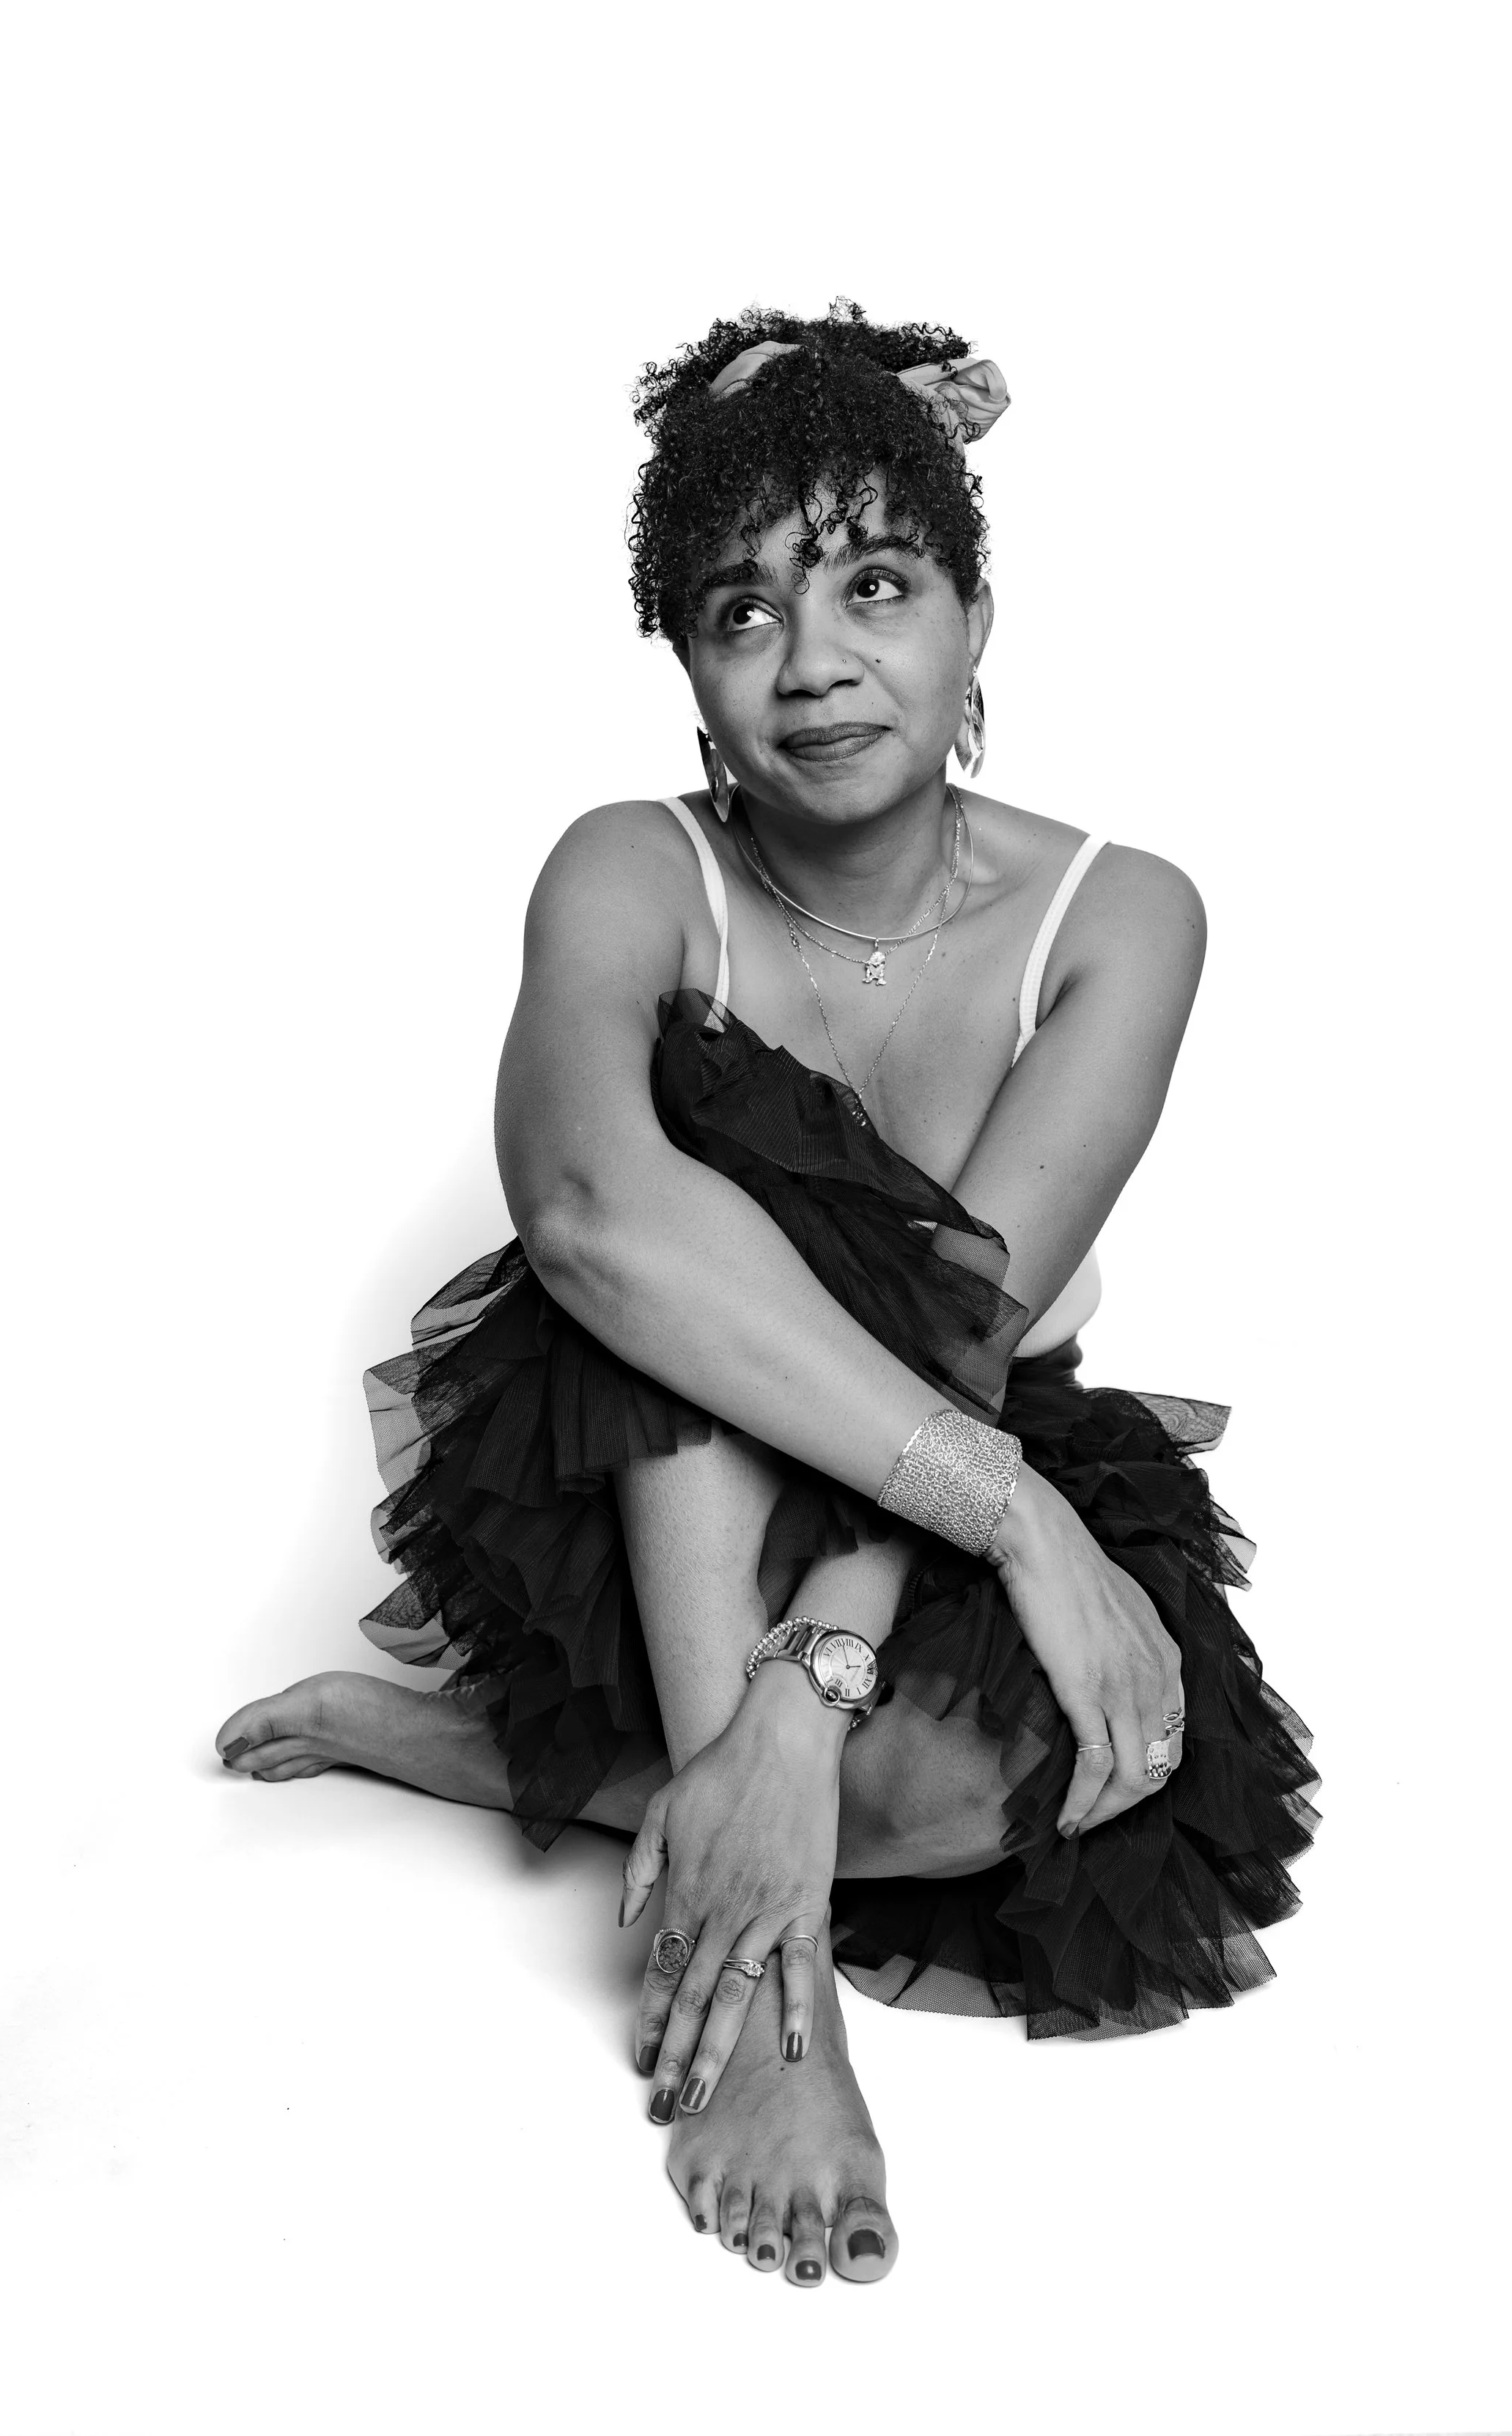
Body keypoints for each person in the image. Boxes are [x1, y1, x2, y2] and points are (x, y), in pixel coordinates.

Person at [215, 299, 1319, 2287]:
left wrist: (819, 1689)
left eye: (875, 587)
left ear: (974, 619)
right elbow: (590, 1221)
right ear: (688, 666)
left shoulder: (1121, 914)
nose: (812, 662)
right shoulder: (631, 870)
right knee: (710, 1191)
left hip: (943, 1430)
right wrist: (1016, 1526)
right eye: (743, 611)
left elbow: (960, 1331)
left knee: (1027, 1781)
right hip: (645, 1447)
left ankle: (519, 1765)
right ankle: (775, 1998)